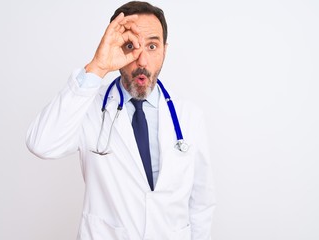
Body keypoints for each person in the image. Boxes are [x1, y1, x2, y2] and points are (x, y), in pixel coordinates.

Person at [26, 1, 215, 239]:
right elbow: (41, 144)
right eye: (130, 46)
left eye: (153, 46)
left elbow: (201, 204)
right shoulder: (87, 107)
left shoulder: (190, 116)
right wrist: (97, 67)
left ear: (165, 50)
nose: (142, 61)